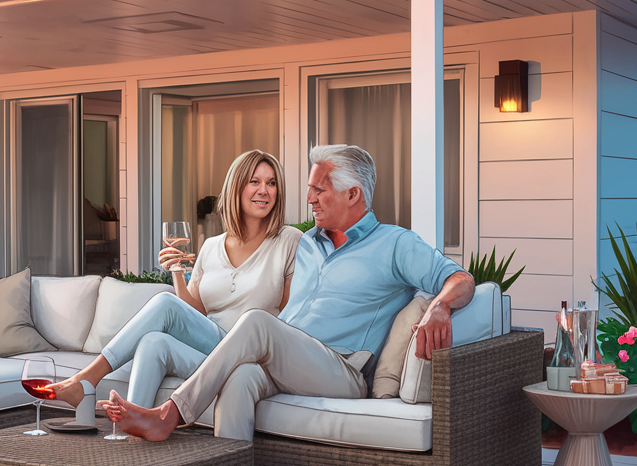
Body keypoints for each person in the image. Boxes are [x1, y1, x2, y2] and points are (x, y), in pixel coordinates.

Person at [102, 144, 475, 442]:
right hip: (285, 357)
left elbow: (461, 279)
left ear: (353, 194)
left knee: (257, 324)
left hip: (341, 368)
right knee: (240, 377)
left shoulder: (395, 243)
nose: (309, 198)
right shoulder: (307, 242)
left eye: (319, 189)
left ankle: (168, 417)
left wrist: (438, 307)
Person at [47, 150, 304, 410]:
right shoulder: (212, 246)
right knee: (153, 342)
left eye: (271, 183)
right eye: (255, 181)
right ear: (236, 187)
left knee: (165, 303)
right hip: (212, 351)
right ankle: (136, 422)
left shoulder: (289, 241)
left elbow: (288, 315)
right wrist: (178, 271)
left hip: (250, 354)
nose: (264, 190)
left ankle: (87, 379)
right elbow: (195, 314)